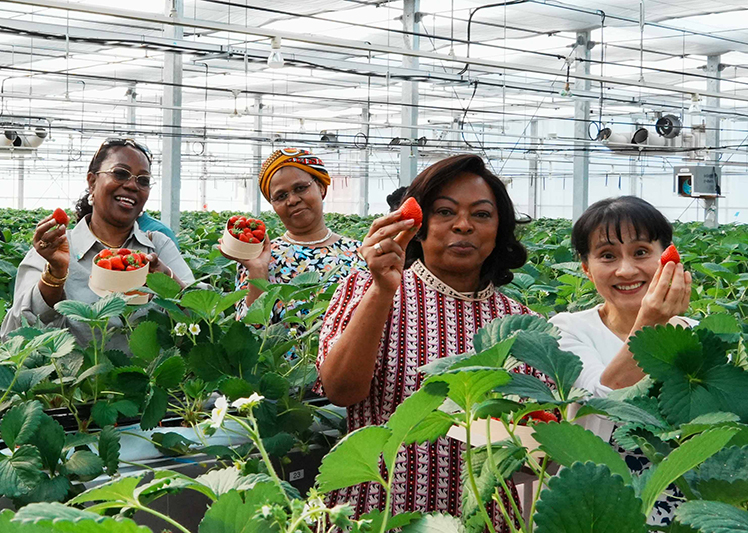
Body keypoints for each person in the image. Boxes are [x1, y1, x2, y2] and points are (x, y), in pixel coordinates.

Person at [314, 154, 550, 529]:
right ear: (417, 226)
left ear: (499, 229)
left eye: (481, 214)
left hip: (485, 519)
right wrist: (381, 291)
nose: (463, 225)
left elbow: (538, 443)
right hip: (379, 512)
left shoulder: (525, 326)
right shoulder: (365, 290)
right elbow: (341, 390)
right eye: (444, 212)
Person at [548, 196, 694, 526]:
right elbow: (604, 401)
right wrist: (651, 323)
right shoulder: (568, 329)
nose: (626, 269)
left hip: (686, 513)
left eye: (641, 252)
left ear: (667, 258)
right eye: (607, 255)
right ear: (586, 268)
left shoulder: (700, 336)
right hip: (596, 510)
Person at [0, 138, 194, 347]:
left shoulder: (158, 246)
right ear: (92, 182)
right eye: (120, 173)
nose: (132, 185)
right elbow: (14, 336)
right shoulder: (56, 248)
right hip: (73, 369)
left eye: (143, 180)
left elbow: (201, 318)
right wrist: (55, 276)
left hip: (148, 369)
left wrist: (167, 281)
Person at [231, 148, 365, 324]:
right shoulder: (261, 257)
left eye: (300, 188)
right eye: (281, 196)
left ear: (321, 187)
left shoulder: (360, 254)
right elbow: (250, 329)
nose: (292, 200)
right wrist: (258, 271)